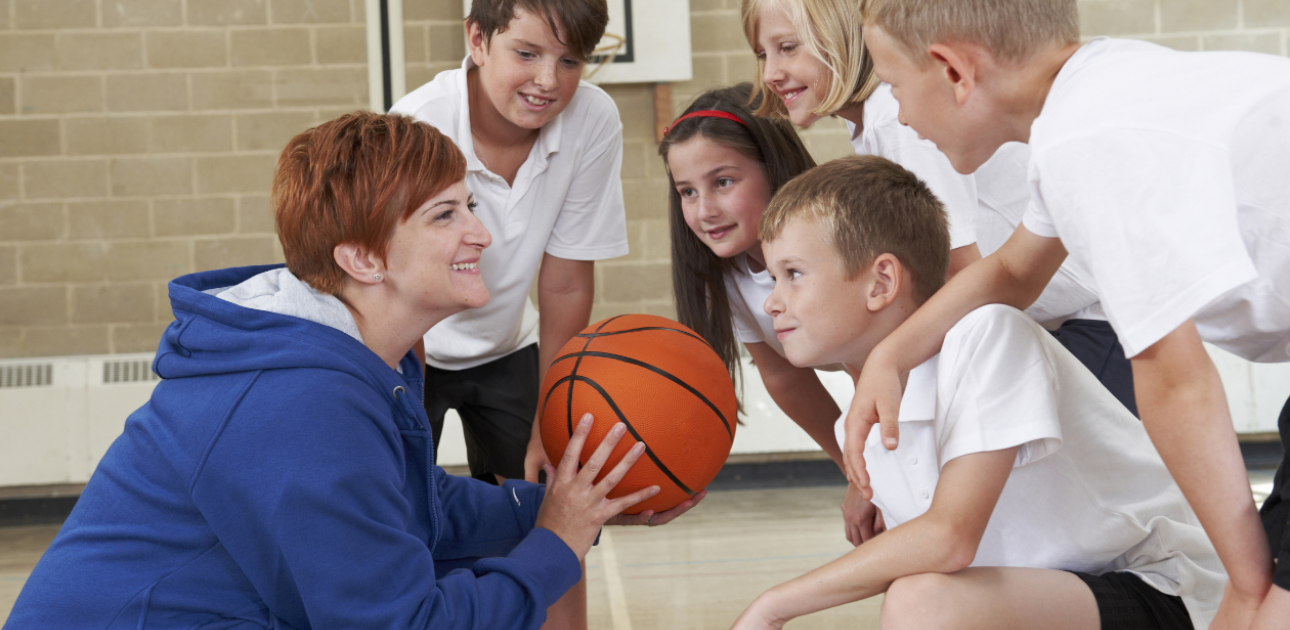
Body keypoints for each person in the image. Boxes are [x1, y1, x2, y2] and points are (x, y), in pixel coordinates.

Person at [3, 113, 701, 630]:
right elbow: (406, 624)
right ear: (361, 259)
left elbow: (412, 509)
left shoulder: (344, 355)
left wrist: (578, 508)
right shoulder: (300, 401)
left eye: (472, 207)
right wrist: (555, 545)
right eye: (445, 215)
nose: (480, 234)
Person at [844, 1, 1290, 626]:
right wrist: (891, 355)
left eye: (894, 88)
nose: (904, 117)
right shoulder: (1093, 97)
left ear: (953, 71)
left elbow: (1176, 380)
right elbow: (1014, 272)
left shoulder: (1089, 141)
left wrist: (1244, 585)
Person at [731, 155, 1225, 630]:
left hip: (1167, 592)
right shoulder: (857, 424)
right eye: (773, 278)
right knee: (923, 591)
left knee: (922, 601)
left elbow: (948, 539)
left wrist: (775, 605)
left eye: (793, 274)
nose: (773, 302)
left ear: (881, 282)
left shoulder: (989, 333)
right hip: (1057, 599)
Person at [739, 0, 1137, 415]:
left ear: (842, 35)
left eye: (788, 47)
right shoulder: (871, 119)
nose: (770, 73)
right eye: (762, 54)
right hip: (1046, 319)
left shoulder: (894, 117)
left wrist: (892, 357)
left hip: (1088, 323)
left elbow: (958, 267)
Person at [389, 0, 626, 487]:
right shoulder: (417, 124)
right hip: (410, 343)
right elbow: (402, 286)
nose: (547, 81)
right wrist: (406, 402)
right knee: (403, 510)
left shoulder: (593, 119)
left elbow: (564, 284)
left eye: (569, 61)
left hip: (510, 344)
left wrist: (549, 416)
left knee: (548, 502)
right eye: (526, 54)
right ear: (478, 41)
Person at [661, 84, 884, 544]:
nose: (705, 210)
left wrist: (873, 470)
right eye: (687, 191)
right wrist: (853, 470)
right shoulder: (730, 269)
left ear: (773, 167)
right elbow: (784, 378)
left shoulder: (831, 241)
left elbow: (874, 363)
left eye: (723, 182)